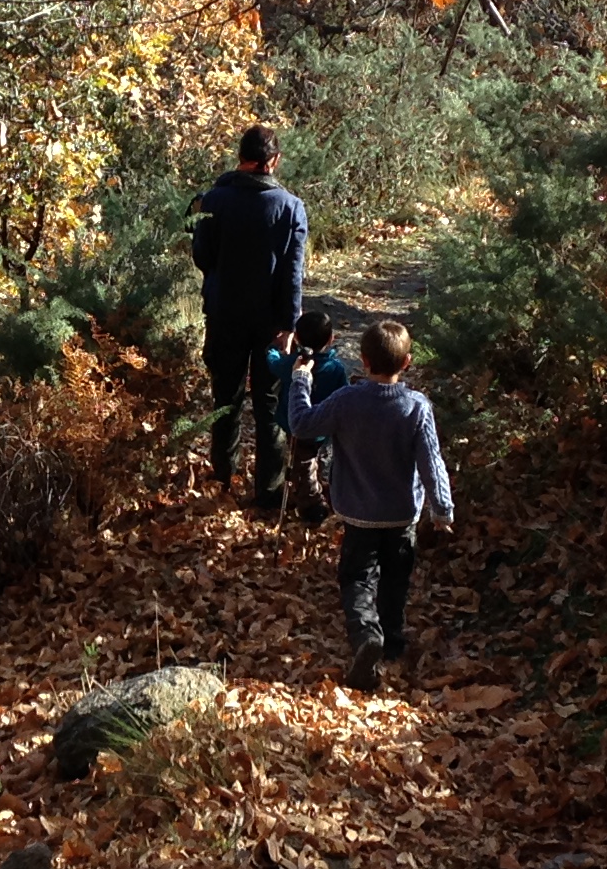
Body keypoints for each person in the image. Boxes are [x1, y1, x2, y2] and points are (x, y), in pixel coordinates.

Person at [286, 319, 453, 690]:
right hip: (401, 516)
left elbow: (300, 423)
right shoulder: (416, 407)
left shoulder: (347, 401)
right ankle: (390, 645)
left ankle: (365, 637)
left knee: (357, 578)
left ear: (363, 361)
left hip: (358, 514)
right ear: (407, 362)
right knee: (396, 580)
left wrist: (301, 380)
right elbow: (431, 460)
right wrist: (441, 508)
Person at [191, 125, 308, 508]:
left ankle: (221, 481)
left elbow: (202, 259)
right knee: (269, 406)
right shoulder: (290, 207)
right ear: (274, 161)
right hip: (270, 323)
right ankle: (269, 494)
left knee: (225, 397)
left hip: (223, 313)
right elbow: (292, 275)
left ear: (240, 157)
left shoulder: (213, 201)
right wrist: (290, 325)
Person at [285, 308, 352, 520]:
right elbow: (344, 393)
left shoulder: (292, 363)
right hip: (325, 424)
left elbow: (274, 364)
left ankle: (311, 504)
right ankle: (318, 493)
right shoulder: (336, 368)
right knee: (318, 458)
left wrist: (272, 352)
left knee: (302, 463)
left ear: (295, 338)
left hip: (297, 424)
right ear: (332, 339)